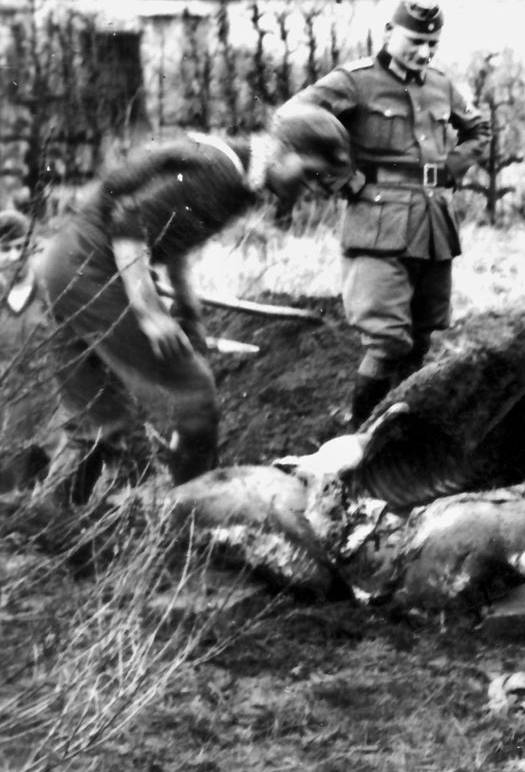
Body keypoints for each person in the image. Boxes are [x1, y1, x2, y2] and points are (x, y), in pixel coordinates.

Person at [39, 106, 351, 502]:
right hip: (93, 272)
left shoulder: (237, 176)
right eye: (307, 173)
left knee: (95, 422)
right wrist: (150, 312)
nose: (307, 187)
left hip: (65, 265)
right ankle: (193, 520)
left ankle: (44, 533)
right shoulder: (221, 174)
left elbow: (170, 232)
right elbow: (127, 220)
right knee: (195, 390)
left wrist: (187, 306)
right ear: (281, 148)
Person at [288, 0, 492, 426]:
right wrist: (339, 179)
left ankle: (398, 437)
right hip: (377, 225)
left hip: (433, 223)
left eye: (431, 44)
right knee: (386, 342)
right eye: (414, 40)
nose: (423, 51)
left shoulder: (441, 84)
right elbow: (292, 120)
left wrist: (452, 169)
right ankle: (357, 443)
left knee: (421, 336)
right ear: (388, 33)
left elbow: (479, 128)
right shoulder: (354, 81)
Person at [0, 210, 54, 493]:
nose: (13, 256)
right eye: (5, 249)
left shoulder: (51, 291)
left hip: (53, 403)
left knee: (57, 484)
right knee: (10, 490)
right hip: (10, 406)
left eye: (20, 247)